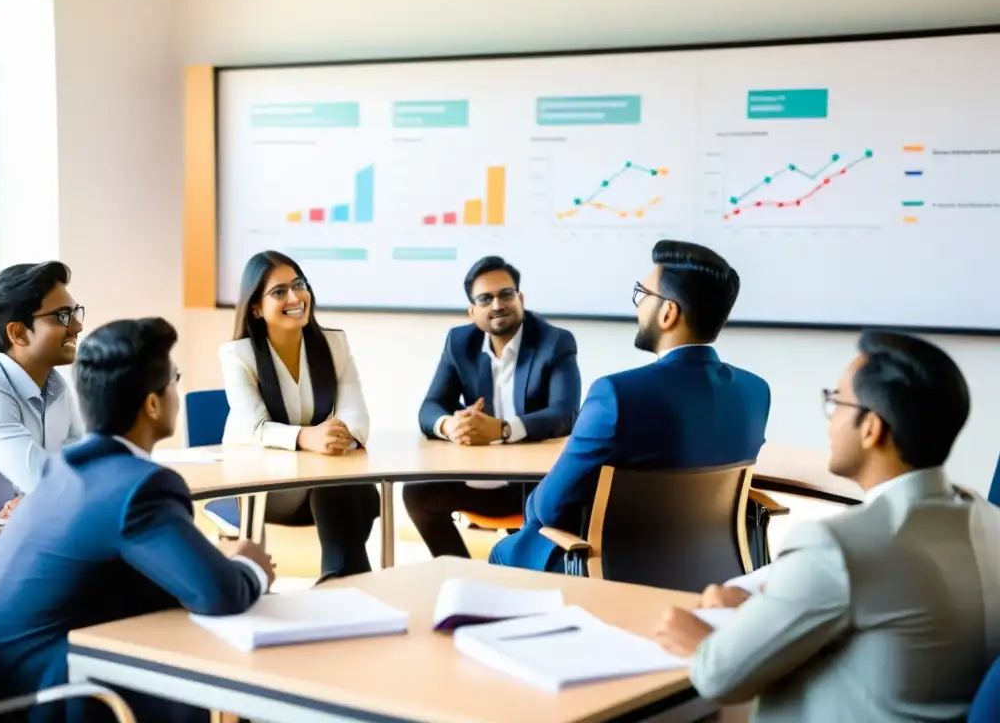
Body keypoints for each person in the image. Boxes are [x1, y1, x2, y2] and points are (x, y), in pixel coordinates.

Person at [655, 331, 1000, 722]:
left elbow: (719, 676)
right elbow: (901, 627)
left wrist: (694, 636)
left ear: (871, 428)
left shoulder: (838, 546)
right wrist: (764, 609)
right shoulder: (991, 520)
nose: (831, 419)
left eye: (836, 402)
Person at [0, 318, 272, 723]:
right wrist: (251, 567)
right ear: (153, 403)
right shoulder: (140, 487)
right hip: (57, 698)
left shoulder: (64, 471)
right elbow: (219, 595)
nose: (176, 392)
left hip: (7, 689)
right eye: (175, 380)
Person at [489, 240, 770, 572]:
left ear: (668, 313)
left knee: (505, 551)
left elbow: (552, 507)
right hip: (713, 569)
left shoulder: (616, 395)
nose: (638, 306)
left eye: (643, 294)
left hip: (613, 571)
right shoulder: (755, 392)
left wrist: (533, 507)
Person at [403, 256, 581, 558]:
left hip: (535, 485)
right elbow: (430, 407)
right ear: (473, 311)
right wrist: (451, 426)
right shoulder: (459, 342)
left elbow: (564, 414)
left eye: (506, 294)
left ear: (520, 298)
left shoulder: (555, 342)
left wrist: (502, 429)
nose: (497, 304)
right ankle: (459, 574)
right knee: (418, 493)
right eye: (486, 298)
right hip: (480, 477)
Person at [220, 250, 378, 580]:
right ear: (255, 308)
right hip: (258, 484)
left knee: (351, 488)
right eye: (279, 292)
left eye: (299, 285)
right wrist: (308, 436)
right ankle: (347, 585)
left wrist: (339, 433)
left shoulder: (334, 345)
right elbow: (254, 429)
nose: (295, 297)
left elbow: (356, 414)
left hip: (316, 481)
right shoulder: (238, 355)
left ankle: (341, 580)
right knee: (344, 489)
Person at [0, 261, 84, 516]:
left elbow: (84, 466)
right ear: (18, 333)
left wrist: (35, 497)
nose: (77, 327)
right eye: (62, 316)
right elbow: (46, 483)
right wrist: (40, 495)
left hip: (21, 534)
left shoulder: (56, 387)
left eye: (75, 313)